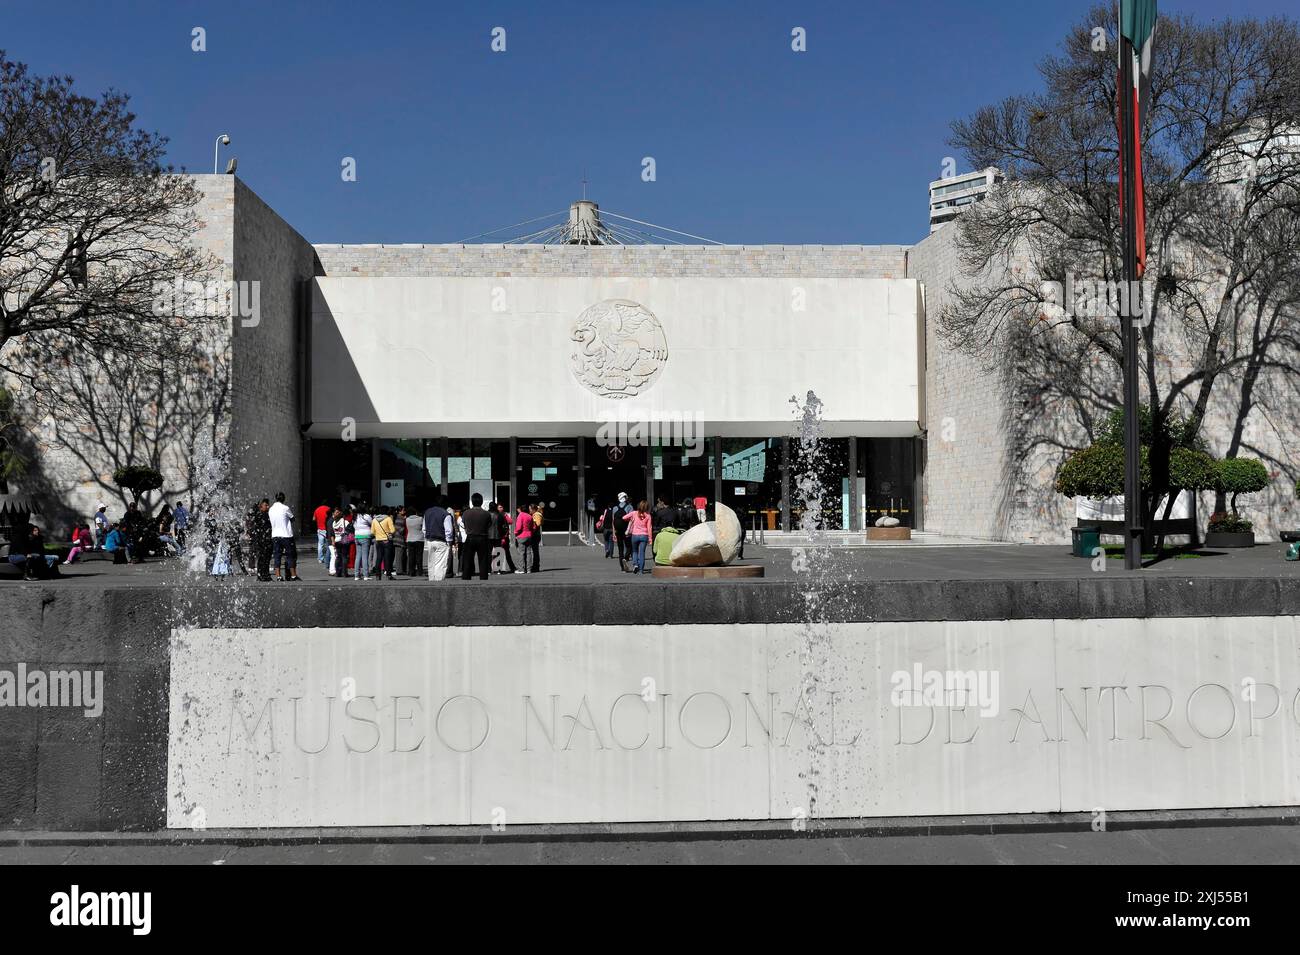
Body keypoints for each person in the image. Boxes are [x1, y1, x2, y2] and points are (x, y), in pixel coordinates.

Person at [460, 493, 493, 581]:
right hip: (482, 538)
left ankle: (466, 577)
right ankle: (483, 578)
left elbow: (463, 524)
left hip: (470, 537)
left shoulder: (466, 513)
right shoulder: (486, 514)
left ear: (472, 501)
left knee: (467, 559)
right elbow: (489, 525)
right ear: (481, 502)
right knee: (483, 560)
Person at [269, 491, 299, 581]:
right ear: (284, 499)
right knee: (290, 555)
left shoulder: (271, 509)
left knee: (277, 556)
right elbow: (292, 518)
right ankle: (293, 575)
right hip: (286, 535)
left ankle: (278, 576)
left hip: (275, 535)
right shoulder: (285, 508)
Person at [423, 496, 454, 581]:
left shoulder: (427, 512)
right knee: (440, 563)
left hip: (430, 540)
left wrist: (427, 538)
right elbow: (448, 531)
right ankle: (438, 583)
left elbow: (424, 529)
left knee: (431, 562)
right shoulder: (445, 514)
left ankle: (431, 579)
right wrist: (449, 542)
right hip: (441, 541)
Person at [623, 499, 653, 574]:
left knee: (635, 551)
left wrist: (631, 519)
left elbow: (624, 518)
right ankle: (641, 570)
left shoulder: (634, 513)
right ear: (647, 507)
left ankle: (635, 565)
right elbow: (649, 528)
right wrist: (650, 538)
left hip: (635, 535)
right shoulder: (648, 516)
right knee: (642, 553)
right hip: (644, 535)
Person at [490, 501, 518, 573]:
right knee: (498, 553)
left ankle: (510, 568)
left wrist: (505, 516)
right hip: (499, 536)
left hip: (502, 536)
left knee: (505, 553)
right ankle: (497, 569)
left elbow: (510, 521)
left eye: (502, 507)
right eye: (499, 507)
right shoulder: (498, 515)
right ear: (496, 508)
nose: (501, 508)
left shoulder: (504, 515)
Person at [250, 499, 273, 582]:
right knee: (262, 558)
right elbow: (251, 515)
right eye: (266, 505)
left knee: (267, 558)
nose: (268, 507)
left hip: (268, 539)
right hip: (261, 540)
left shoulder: (267, 514)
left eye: (268, 505)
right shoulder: (259, 515)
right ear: (261, 506)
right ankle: (260, 575)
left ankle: (266, 574)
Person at [372, 506, 397, 581]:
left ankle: (377, 575)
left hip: (378, 540)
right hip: (386, 540)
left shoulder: (374, 520)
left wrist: (378, 535)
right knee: (387, 558)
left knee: (379, 558)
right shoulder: (388, 519)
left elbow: (372, 532)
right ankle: (388, 575)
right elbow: (392, 530)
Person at [612, 492, 633, 571]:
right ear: (626, 498)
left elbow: (613, 521)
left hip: (618, 531)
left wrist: (614, 532)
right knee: (629, 546)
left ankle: (622, 567)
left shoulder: (614, 508)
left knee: (620, 549)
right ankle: (626, 558)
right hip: (626, 530)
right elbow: (632, 519)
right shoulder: (629, 507)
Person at [353, 504, 374, 581]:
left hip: (357, 536)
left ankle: (356, 575)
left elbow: (354, 526)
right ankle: (365, 575)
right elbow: (372, 523)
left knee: (358, 556)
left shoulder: (355, 516)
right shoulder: (366, 516)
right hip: (365, 537)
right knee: (365, 556)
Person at [331, 507, 354, 578]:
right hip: (344, 541)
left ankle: (338, 572)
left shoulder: (334, 523)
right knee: (344, 557)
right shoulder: (344, 521)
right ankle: (344, 573)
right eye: (337, 512)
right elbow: (350, 529)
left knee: (338, 557)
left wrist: (333, 541)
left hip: (337, 541)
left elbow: (333, 533)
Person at [513, 503, 536, 573]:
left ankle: (521, 569)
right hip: (529, 535)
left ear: (521, 509)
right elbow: (533, 527)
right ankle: (529, 569)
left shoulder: (520, 515)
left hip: (521, 536)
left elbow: (519, 527)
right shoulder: (530, 516)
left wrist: (515, 532)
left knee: (521, 553)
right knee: (529, 553)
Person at [405, 504, 425, 576]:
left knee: (411, 556)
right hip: (419, 539)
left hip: (410, 539)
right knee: (419, 556)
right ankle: (419, 572)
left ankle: (411, 571)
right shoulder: (420, 519)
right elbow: (423, 527)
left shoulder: (407, 520)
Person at [312, 499, 332, 567]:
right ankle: (327, 558)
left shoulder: (317, 509)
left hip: (320, 529)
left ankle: (320, 559)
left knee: (320, 544)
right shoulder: (329, 509)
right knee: (328, 545)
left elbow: (314, 519)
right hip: (327, 529)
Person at [392, 505, 408, 575]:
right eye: (403, 510)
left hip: (396, 538)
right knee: (399, 555)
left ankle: (400, 570)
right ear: (399, 511)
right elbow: (400, 529)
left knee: (399, 555)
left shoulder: (396, 517)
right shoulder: (400, 518)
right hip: (399, 539)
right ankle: (399, 571)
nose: (404, 511)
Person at [528, 504, 543, 572]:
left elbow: (538, 523)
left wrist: (533, 523)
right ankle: (535, 565)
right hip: (535, 535)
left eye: (530, 509)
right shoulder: (535, 514)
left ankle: (536, 566)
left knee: (535, 551)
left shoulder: (537, 514)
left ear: (533, 509)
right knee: (534, 551)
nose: (529, 510)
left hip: (535, 535)